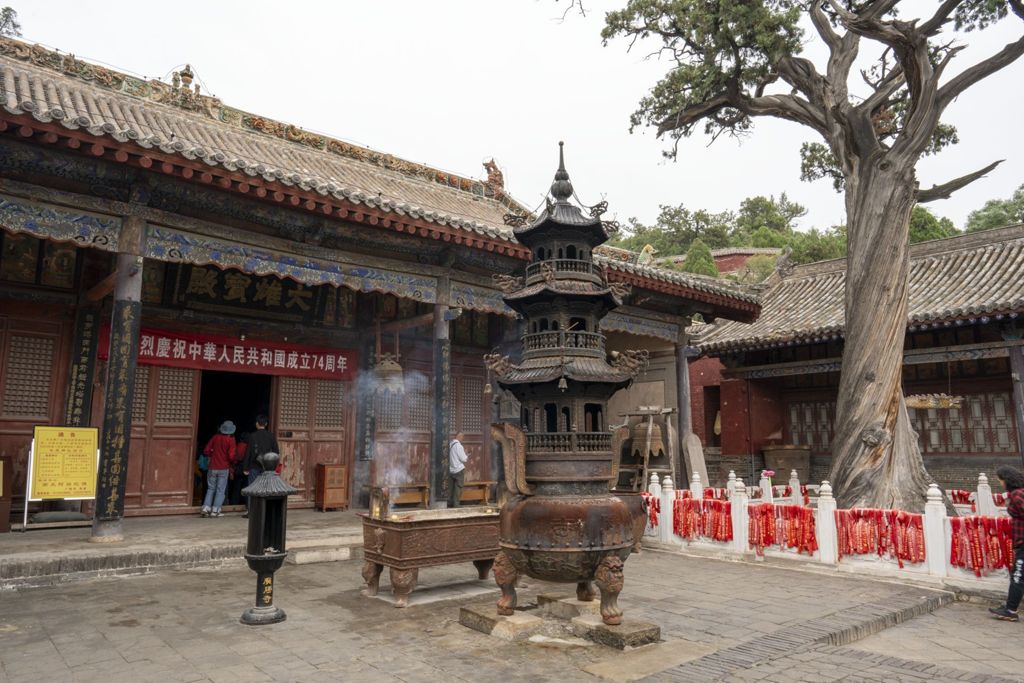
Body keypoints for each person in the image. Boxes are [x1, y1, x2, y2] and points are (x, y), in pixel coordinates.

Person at [990, 465, 1024, 621]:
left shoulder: (1017, 495)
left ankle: (1010, 610)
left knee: (1017, 577)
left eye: (1000, 480)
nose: (1000, 483)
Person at [242, 415, 280, 518]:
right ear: (266, 424)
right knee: (266, 488)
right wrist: (274, 465)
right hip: (267, 467)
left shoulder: (252, 436)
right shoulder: (271, 436)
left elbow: (248, 453)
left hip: (254, 466)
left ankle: (251, 511)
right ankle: (265, 510)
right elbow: (276, 452)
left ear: (257, 424)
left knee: (252, 488)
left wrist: (245, 468)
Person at [201, 420, 237, 518]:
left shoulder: (215, 437)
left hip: (212, 467)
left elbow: (206, 450)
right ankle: (215, 510)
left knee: (211, 488)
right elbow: (231, 456)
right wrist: (234, 462)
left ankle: (206, 507)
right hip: (223, 467)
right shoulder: (231, 440)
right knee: (220, 489)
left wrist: (213, 454)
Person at [448, 431, 467, 508]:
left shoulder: (450, 444)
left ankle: (449, 503)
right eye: (462, 437)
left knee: (450, 487)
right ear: (459, 437)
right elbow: (464, 459)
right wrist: (466, 455)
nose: (463, 439)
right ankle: (456, 504)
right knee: (458, 487)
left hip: (451, 469)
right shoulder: (459, 446)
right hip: (458, 469)